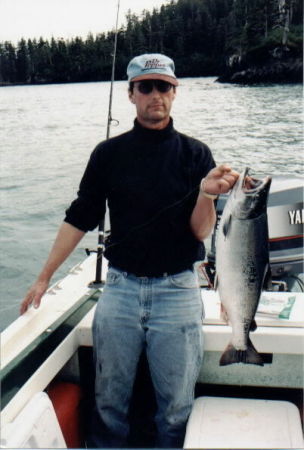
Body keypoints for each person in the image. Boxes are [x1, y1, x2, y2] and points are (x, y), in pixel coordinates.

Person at [20, 53, 239, 448]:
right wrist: (43, 277)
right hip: (120, 291)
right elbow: (80, 217)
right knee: (108, 404)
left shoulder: (195, 155)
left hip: (178, 292)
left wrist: (207, 193)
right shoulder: (107, 154)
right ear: (131, 95)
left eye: (164, 87)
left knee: (175, 408)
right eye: (146, 87)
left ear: (175, 92)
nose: (156, 95)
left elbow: (201, 232)